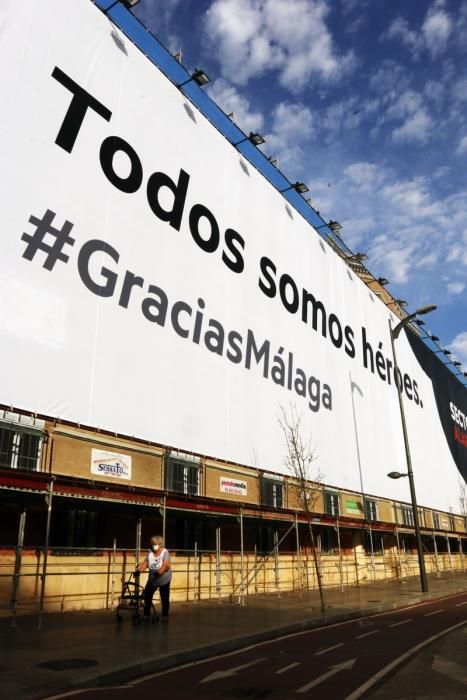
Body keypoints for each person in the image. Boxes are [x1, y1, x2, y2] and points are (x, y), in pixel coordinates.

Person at [138, 534, 172, 622]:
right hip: (153, 578)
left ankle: (165, 615)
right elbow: (146, 563)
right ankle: (146, 614)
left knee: (164, 597)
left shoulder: (165, 552)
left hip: (164, 578)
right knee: (147, 595)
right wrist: (139, 571)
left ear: (160, 544)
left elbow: (166, 565)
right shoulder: (150, 552)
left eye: (155, 544)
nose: (153, 546)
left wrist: (159, 572)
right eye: (152, 544)